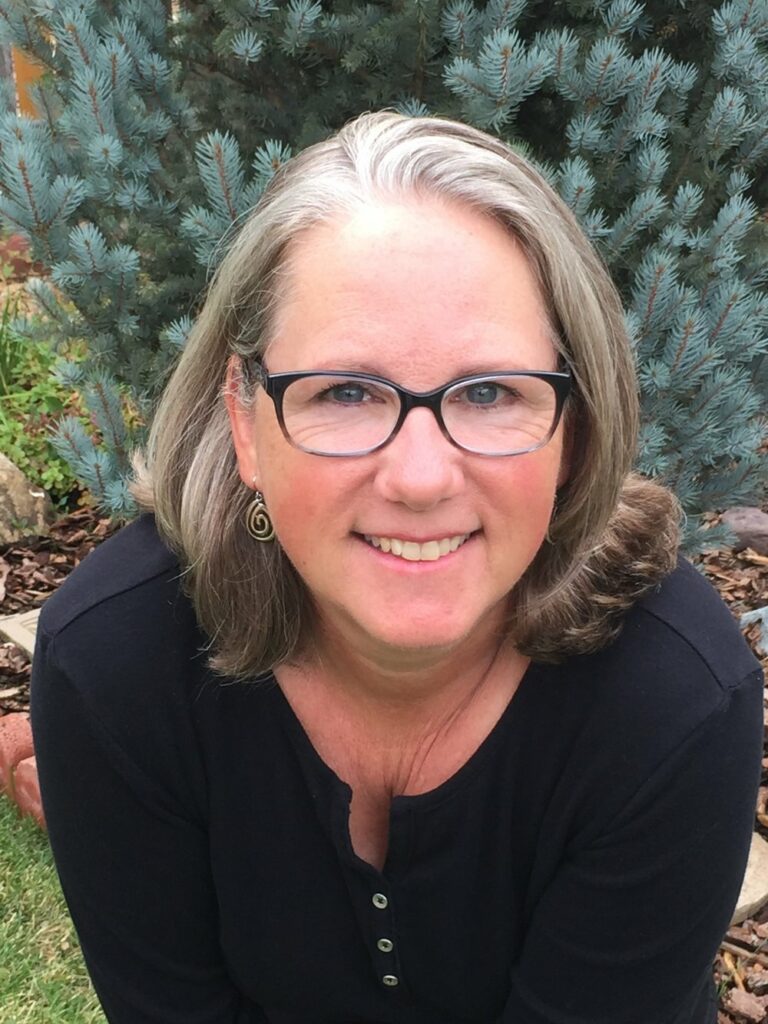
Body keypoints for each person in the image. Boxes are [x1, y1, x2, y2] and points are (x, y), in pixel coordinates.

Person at [31, 111, 763, 1024]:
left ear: (573, 427)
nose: (420, 478)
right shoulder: (116, 664)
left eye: (491, 391)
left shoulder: (674, 698)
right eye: (345, 391)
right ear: (245, 419)